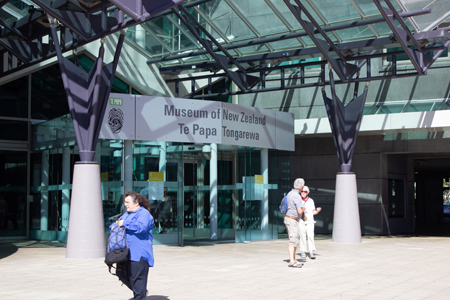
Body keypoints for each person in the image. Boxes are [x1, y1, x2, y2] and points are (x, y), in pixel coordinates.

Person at [116, 191, 154, 300]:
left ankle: (140, 294)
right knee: (121, 274)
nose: (125, 204)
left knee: (138, 279)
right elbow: (118, 222)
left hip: (139, 253)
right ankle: (140, 292)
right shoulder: (127, 214)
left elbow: (141, 227)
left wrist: (124, 224)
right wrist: (114, 226)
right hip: (127, 253)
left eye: (128, 202)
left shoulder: (143, 213)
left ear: (136, 203)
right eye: (125, 202)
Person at [284, 178, 305, 268]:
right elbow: (300, 211)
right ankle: (292, 261)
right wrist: (304, 208)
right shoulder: (297, 196)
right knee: (293, 240)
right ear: (302, 187)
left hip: (289, 218)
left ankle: (293, 259)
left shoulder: (290, 193)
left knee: (294, 239)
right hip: (292, 220)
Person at [298, 186, 322, 259]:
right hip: (301, 220)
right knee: (302, 236)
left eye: (305, 192)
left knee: (310, 236)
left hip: (310, 221)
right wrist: (302, 209)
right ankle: (303, 251)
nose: (303, 193)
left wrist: (317, 211)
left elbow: (313, 212)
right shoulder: (298, 200)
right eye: (302, 191)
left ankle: (311, 252)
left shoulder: (311, 200)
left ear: (307, 192)